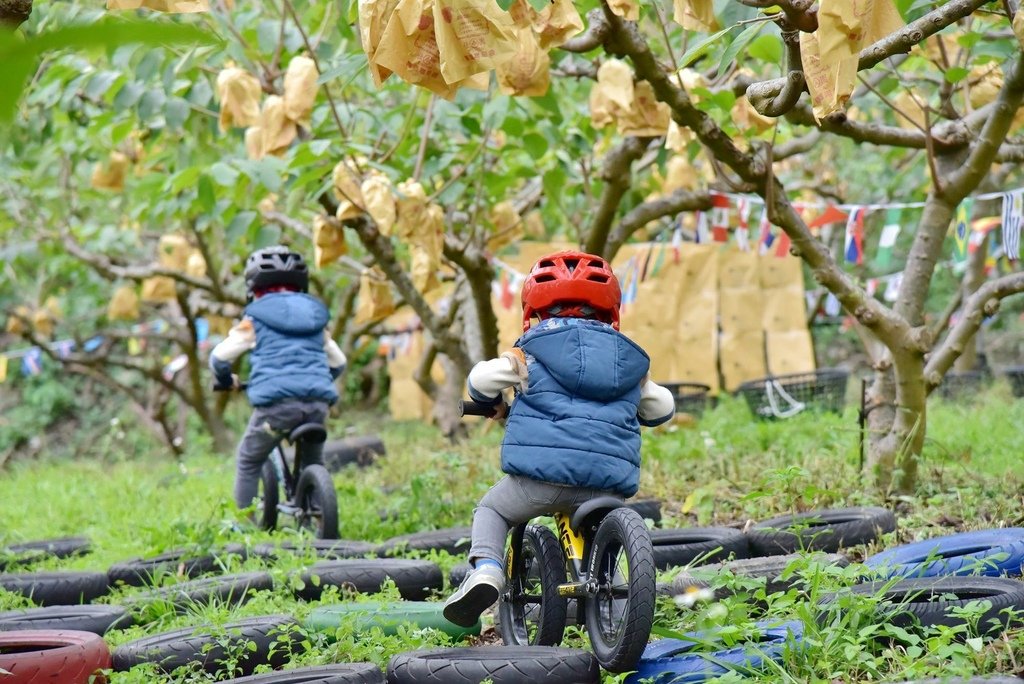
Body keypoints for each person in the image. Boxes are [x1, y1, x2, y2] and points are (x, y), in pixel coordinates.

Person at [443, 250, 676, 628]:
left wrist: (490, 401)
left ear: (532, 307)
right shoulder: (630, 360)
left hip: (541, 481)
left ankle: (485, 570)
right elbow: (662, 406)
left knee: (493, 509)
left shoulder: (530, 349)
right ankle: (618, 615)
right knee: (603, 541)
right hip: (607, 484)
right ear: (612, 309)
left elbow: (481, 380)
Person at [209, 245, 346, 515]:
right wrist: (317, 381)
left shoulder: (255, 318)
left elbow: (219, 357)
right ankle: (317, 513)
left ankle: (242, 522)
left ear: (253, 285)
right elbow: (339, 363)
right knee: (313, 459)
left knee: (249, 458)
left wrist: (226, 380)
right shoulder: (316, 318)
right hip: (318, 405)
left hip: (277, 408)